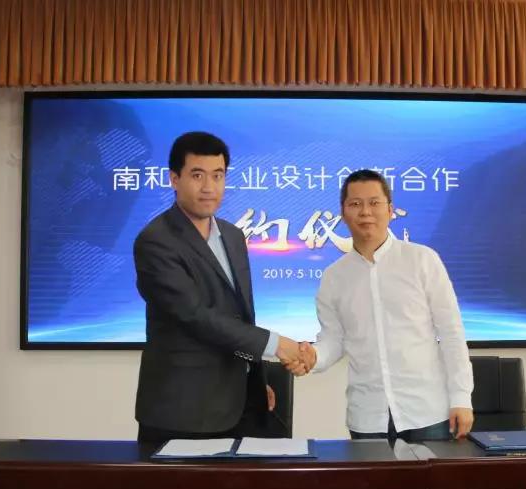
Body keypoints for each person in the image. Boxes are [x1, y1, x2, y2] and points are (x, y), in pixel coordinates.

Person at [133, 131, 314, 444]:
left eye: (217, 176)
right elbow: (196, 317)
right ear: (174, 179)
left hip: (241, 406)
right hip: (182, 413)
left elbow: (238, 317)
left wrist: (253, 382)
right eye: (197, 175)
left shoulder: (233, 236)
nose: (209, 187)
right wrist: (278, 345)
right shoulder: (156, 241)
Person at [301, 169, 473, 442]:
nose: (365, 212)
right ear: (343, 213)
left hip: (427, 411)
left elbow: (451, 332)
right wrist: (312, 357)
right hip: (367, 416)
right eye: (355, 204)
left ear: (390, 210)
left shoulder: (422, 260)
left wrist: (461, 397)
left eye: (374, 203)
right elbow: (334, 340)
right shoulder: (333, 277)